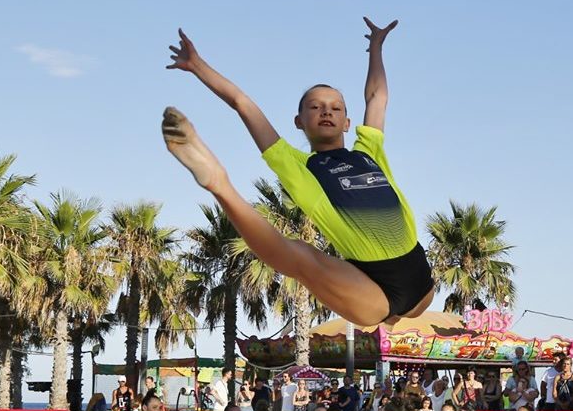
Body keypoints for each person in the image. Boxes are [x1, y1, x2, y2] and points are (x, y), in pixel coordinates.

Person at [164, 19, 434, 328]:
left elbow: (377, 97)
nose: (326, 111)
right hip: (371, 292)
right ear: (298, 121)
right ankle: (218, 183)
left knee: (402, 312)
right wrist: (198, 66)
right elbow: (243, 104)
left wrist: (375, 47)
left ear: (347, 122)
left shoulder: (369, 151)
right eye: (315, 107)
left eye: (335, 107)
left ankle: (395, 319)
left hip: (420, 280)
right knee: (303, 257)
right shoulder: (297, 166)